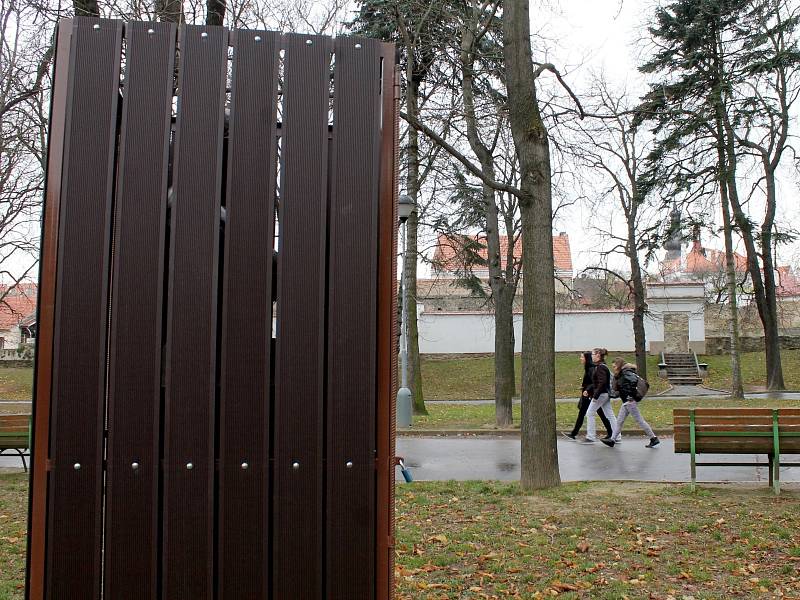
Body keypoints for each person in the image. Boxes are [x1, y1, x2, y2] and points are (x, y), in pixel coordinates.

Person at [601, 358, 660, 448]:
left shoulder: (626, 373)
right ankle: (612, 440)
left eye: (615, 366)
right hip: (627, 402)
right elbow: (621, 387)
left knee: (639, 420)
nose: (614, 368)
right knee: (619, 421)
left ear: (619, 365)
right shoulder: (624, 372)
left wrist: (631, 395)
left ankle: (653, 438)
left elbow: (632, 382)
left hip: (630, 401)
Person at [562, 351, 613, 441]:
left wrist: (587, 389)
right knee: (586, 413)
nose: (580, 359)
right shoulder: (589, 368)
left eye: (582, 357)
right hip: (590, 394)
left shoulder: (592, 368)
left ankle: (592, 435)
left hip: (592, 394)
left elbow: (595, 383)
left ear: (587, 358)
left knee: (592, 413)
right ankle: (575, 433)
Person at [582, 348, 617, 443]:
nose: (591, 356)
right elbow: (598, 383)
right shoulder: (602, 366)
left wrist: (595, 396)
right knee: (610, 415)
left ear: (598, 355)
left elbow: (602, 383)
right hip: (604, 394)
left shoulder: (601, 367)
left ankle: (591, 437)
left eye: (593, 354)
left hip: (601, 395)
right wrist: (588, 390)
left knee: (590, 413)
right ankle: (617, 436)